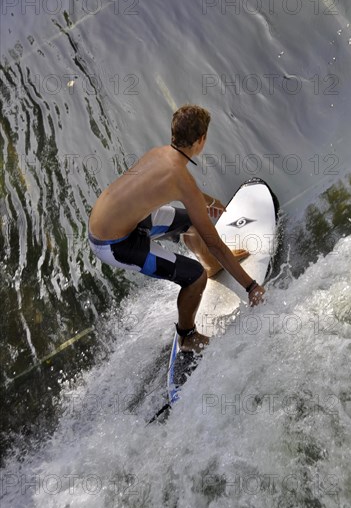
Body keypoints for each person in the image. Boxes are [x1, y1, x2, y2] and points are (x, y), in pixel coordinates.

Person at [88, 105, 265, 353]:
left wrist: (209, 201)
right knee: (194, 277)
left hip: (114, 221)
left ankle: (213, 266)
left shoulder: (158, 154)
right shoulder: (181, 179)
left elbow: (184, 190)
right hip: (113, 245)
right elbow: (213, 241)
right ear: (201, 140)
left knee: (190, 223)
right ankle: (187, 336)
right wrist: (251, 287)